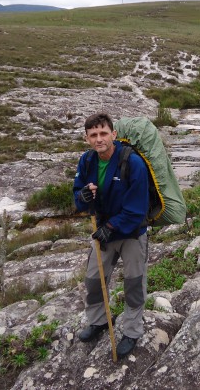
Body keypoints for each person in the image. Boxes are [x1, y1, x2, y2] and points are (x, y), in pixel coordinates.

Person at [73, 112, 149, 359]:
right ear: (87, 138)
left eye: (103, 133)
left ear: (113, 134)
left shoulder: (133, 163)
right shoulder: (87, 161)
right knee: (94, 280)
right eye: (93, 135)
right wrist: (82, 196)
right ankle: (99, 321)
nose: (99, 139)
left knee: (134, 284)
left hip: (131, 233)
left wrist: (111, 227)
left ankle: (132, 332)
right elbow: (78, 195)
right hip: (103, 231)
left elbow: (137, 209)